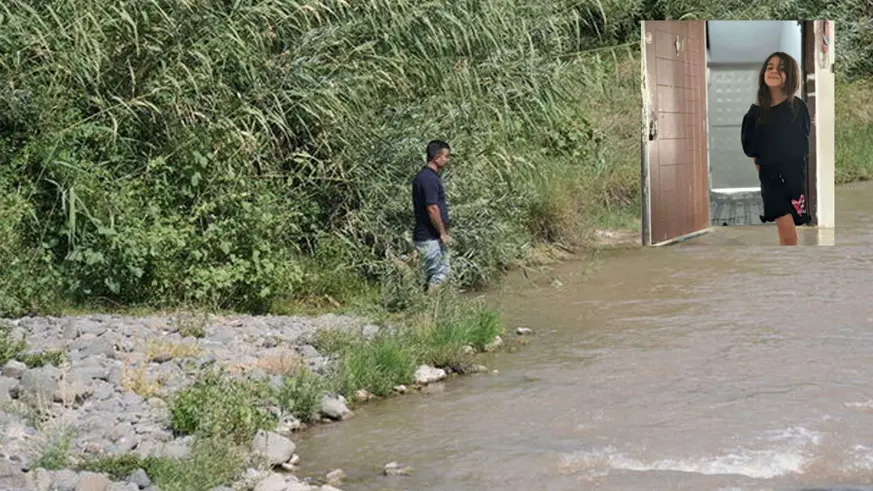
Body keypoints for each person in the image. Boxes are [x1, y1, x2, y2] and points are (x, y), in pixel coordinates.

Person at [741, 51, 812, 246]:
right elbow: (752, 152)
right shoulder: (754, 114)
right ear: (763, 73)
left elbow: (803, 144)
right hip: (771, 178)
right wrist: (766, 178)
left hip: (795, 175)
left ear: (790, 75)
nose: (774, 72)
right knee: (787, 230)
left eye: (781, 69)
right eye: (770, 68)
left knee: (790, 230)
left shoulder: (798, 107)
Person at [411, 140, 453, 291]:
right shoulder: (428, 178)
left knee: (430, 276)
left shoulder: (424, 177)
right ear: (436, 156)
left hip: (427, 238)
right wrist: (442, 233)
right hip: (430, 238)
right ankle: (431, 311)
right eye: (446, 156)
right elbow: (432, 208)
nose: (448, 160)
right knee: (439, 274)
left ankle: (426, 309)